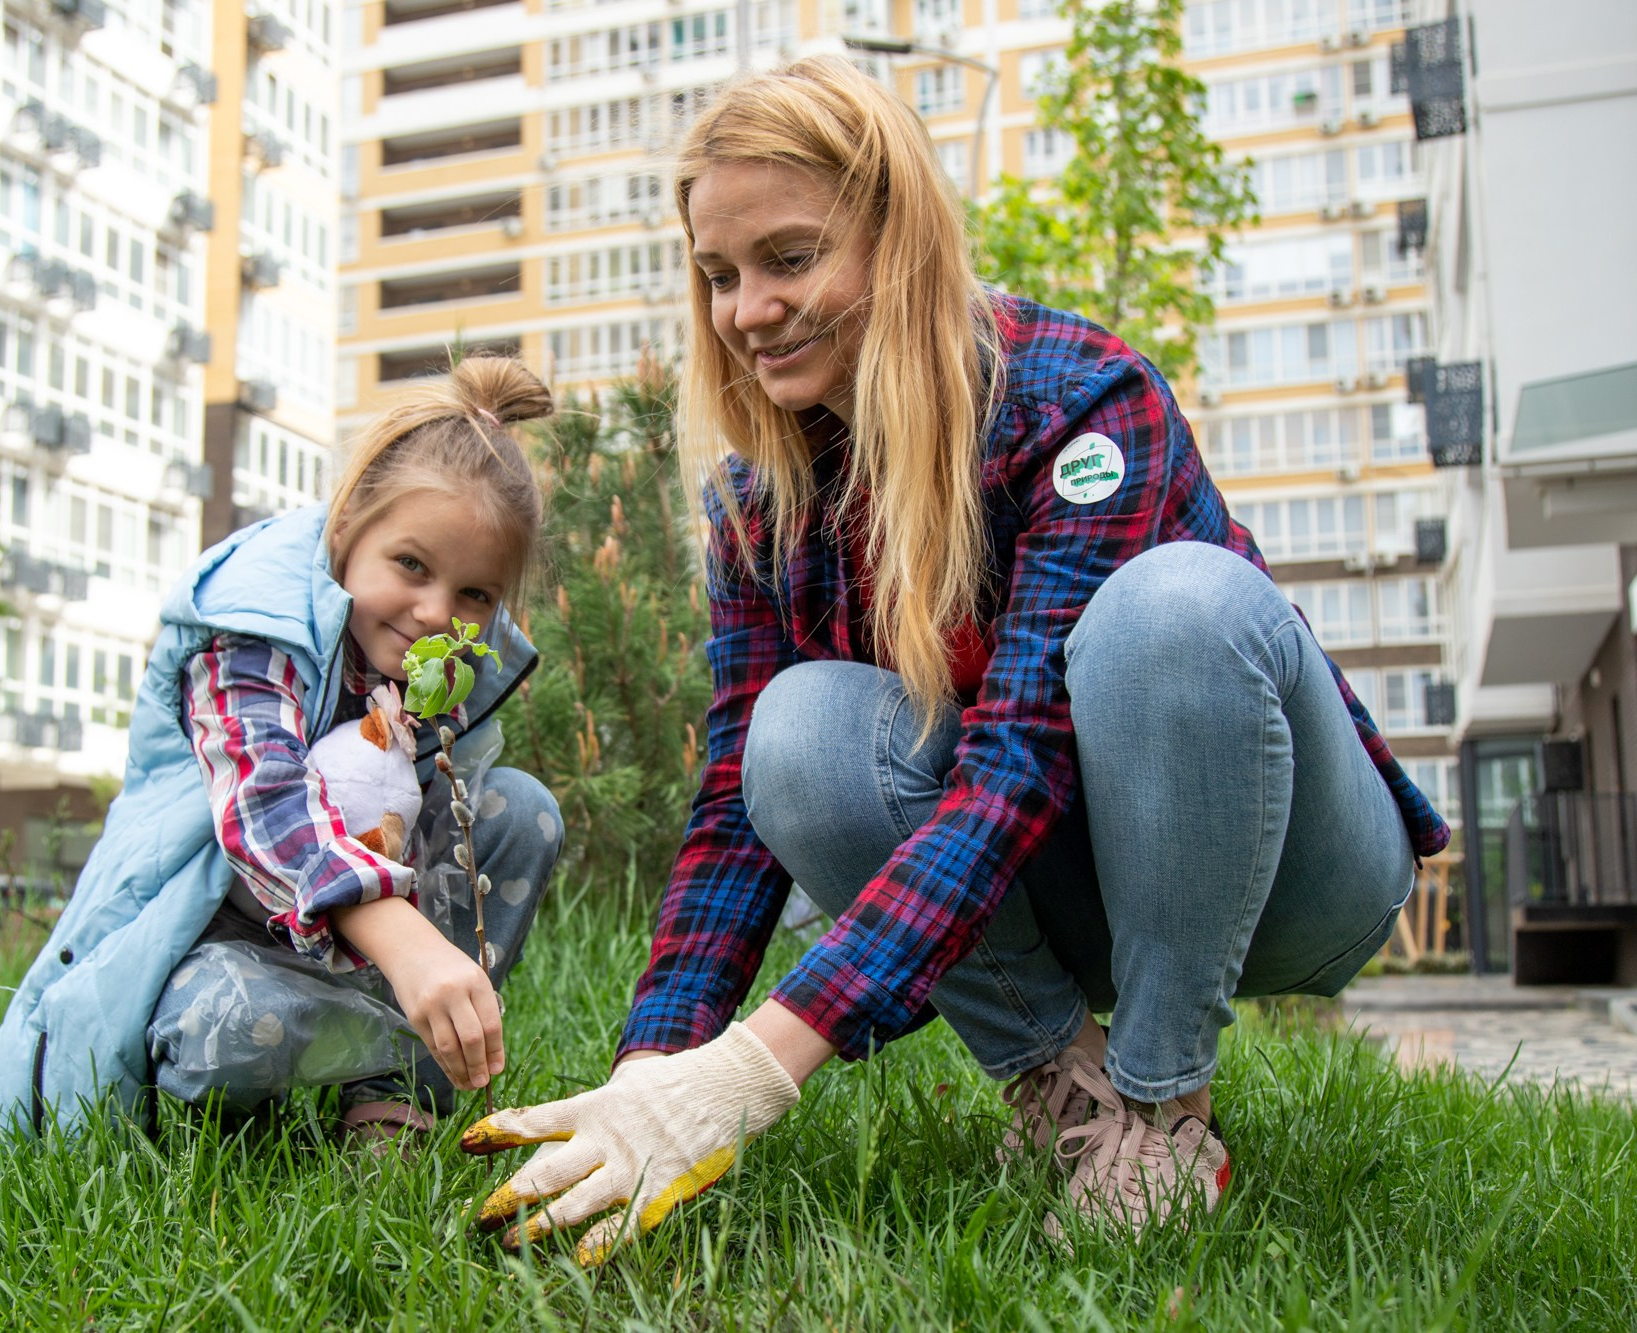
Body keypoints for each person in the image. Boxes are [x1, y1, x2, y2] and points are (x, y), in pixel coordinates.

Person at [460, 57, 1448, 1256]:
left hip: (1280, 877)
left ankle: (1156, 1105)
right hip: (1061, 898)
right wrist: (653, 1077)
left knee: (1174, 610)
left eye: (787, 257)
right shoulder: (759, 502)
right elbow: (735, 807)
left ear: (899, 236)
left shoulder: (1080, 403)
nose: (744, 311)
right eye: (718, 274)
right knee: (795, 726)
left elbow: (1014, 766)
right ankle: (1060, 1091)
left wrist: (756, 1069)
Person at [0, 357, 566, 1148]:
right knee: (239, 1017)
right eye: (412, 566)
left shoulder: (434, 662)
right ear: (352, 519)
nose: (436, 612)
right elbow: (267, 805)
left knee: (519, 810)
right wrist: (409, 945)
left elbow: (426, 819)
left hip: (336, 946)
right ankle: (207, 1130)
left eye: (475, 595)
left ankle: (393, 1096)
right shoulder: (256, 624)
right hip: (203, 945)